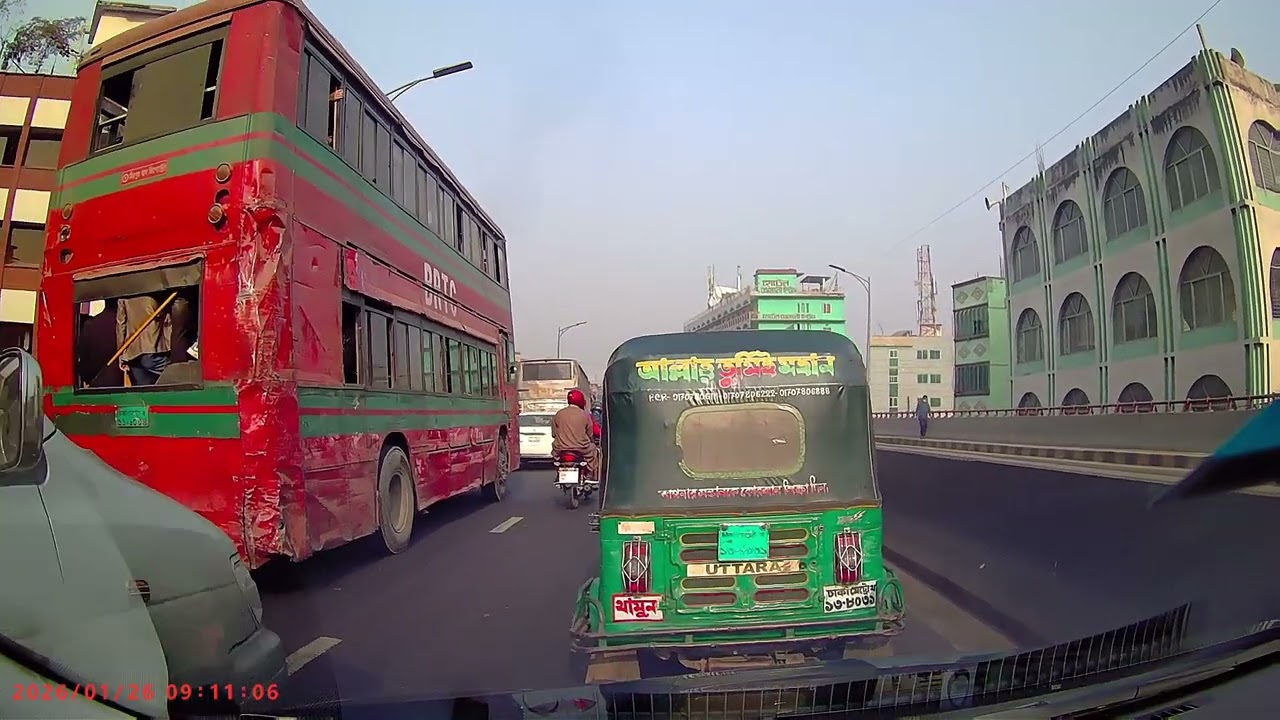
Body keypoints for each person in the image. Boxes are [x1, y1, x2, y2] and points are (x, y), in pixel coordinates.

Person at [116, 293, 172, 386]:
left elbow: (121, 325)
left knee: (143, 392)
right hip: (154, 349)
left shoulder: (124, 295)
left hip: (133, 354)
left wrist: (121, 356)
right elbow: (168, 321)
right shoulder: (155, 292)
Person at [552, 389, 601, 480]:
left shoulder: (558, 414)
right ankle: (591, 474)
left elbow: (554, 433)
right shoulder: (585, 415)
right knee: (594, 450)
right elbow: (590, 434)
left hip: (561, 448)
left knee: (556, 457)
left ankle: (559, 473)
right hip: (582, 448)